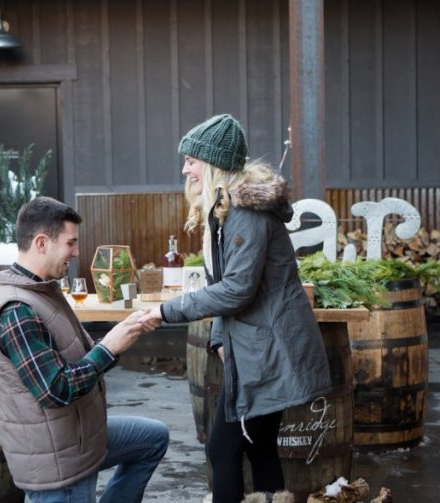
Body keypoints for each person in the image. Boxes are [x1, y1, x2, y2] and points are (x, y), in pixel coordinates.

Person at [138, 114, 332, 503]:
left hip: (269, 347)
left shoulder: (245, 213)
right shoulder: (225, 210)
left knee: (223, 449)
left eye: (191, 160)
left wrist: (165, 311)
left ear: (213, 163)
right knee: (258, 445)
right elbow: (223, 284)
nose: (185, 170)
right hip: (253, 345)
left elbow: (237, 290)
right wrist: (217, 338)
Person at [0, 196, 169, 503]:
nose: (76, 251)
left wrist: (124, 333)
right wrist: (108, 348)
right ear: (42, 243)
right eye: (70, 243)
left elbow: (80, 357)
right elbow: (56, 389)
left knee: (152, 439)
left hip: (77, 435)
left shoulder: (43, 290)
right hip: (58, 466)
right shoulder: (17, 309)